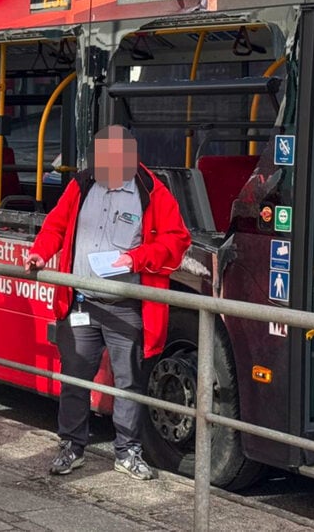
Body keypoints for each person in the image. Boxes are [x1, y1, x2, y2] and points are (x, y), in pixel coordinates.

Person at [24, 125, 190, 481]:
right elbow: (55, 225)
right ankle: (72, 446)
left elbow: (177, 241)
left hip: (125, 306)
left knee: (128, 383)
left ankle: (127, 451)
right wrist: (39, 255)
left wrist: (137, 259)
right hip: (80, 302)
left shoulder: (150, 191)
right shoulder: (82, 184)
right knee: (75, 378)